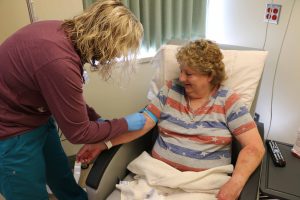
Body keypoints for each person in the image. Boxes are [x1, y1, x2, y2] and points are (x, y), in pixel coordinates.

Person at [77, 39, 266, 200]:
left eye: (189, 73)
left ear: (209, 75)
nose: (181, 78)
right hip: (156, 176)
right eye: (181, 71)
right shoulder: (170, 90)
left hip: (202, 186)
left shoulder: (228, 101)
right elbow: (142, 125)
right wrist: (103, 144)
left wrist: (237, 182)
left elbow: (254, 147)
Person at [0, 1, 145, 200]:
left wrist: (96, 119)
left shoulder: (60, 32)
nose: (116, 56)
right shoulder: (59, 61)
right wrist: (124, 123)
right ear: (107, 41)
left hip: (35, 114)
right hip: (9, 130)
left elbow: (62, 97)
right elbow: (78, 133)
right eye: (119, 49)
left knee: (62, 177)